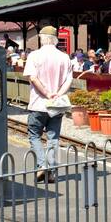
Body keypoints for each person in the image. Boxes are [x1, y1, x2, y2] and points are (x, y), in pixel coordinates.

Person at [22, 26, 73, 183]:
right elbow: (69, 80)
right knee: (53, 138)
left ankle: (42, 165)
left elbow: (33, 77)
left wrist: (46, 92)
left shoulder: (34, 56)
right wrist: (58, 93)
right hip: (57, 105)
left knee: (34, 135)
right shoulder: (64, 57)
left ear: (42, 38)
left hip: (38, 104)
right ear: (56, 39)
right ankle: (51, 172)